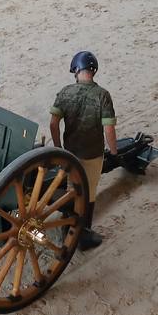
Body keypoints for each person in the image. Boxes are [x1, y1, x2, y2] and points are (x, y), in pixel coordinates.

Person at [48, 51, 119, 251]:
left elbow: (53, 124)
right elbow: (109, 129)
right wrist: (113, 152)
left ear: (75, 70)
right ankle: (82, 235)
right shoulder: (102, 95)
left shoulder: (65, 92)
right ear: (93, 71)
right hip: (92, 153)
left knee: (72, 190)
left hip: (70, 153)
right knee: (88, 194)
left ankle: (66, 227)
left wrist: (58, 147)